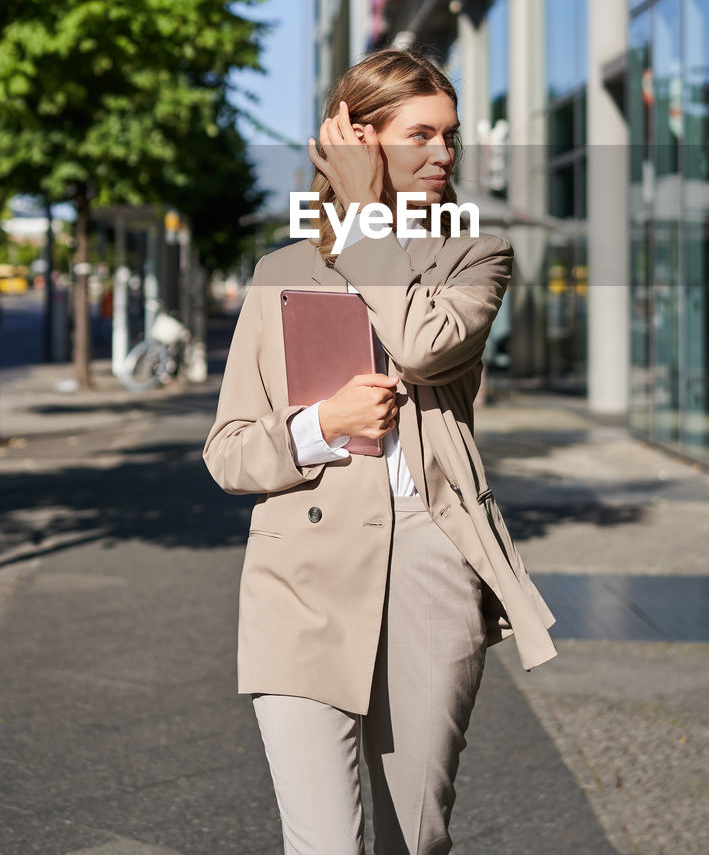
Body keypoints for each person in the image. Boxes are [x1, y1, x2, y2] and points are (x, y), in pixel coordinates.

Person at [203, 46, 556, 855]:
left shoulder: (473, 256)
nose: (443, 154)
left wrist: (367, 224)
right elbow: (227, 453)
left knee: (412, 839)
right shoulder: (281, 271)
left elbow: (425, 346)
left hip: (431, 562)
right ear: (359, 142)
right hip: (301, 578)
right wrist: (318, 425)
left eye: (450, 136)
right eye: (420, 135)